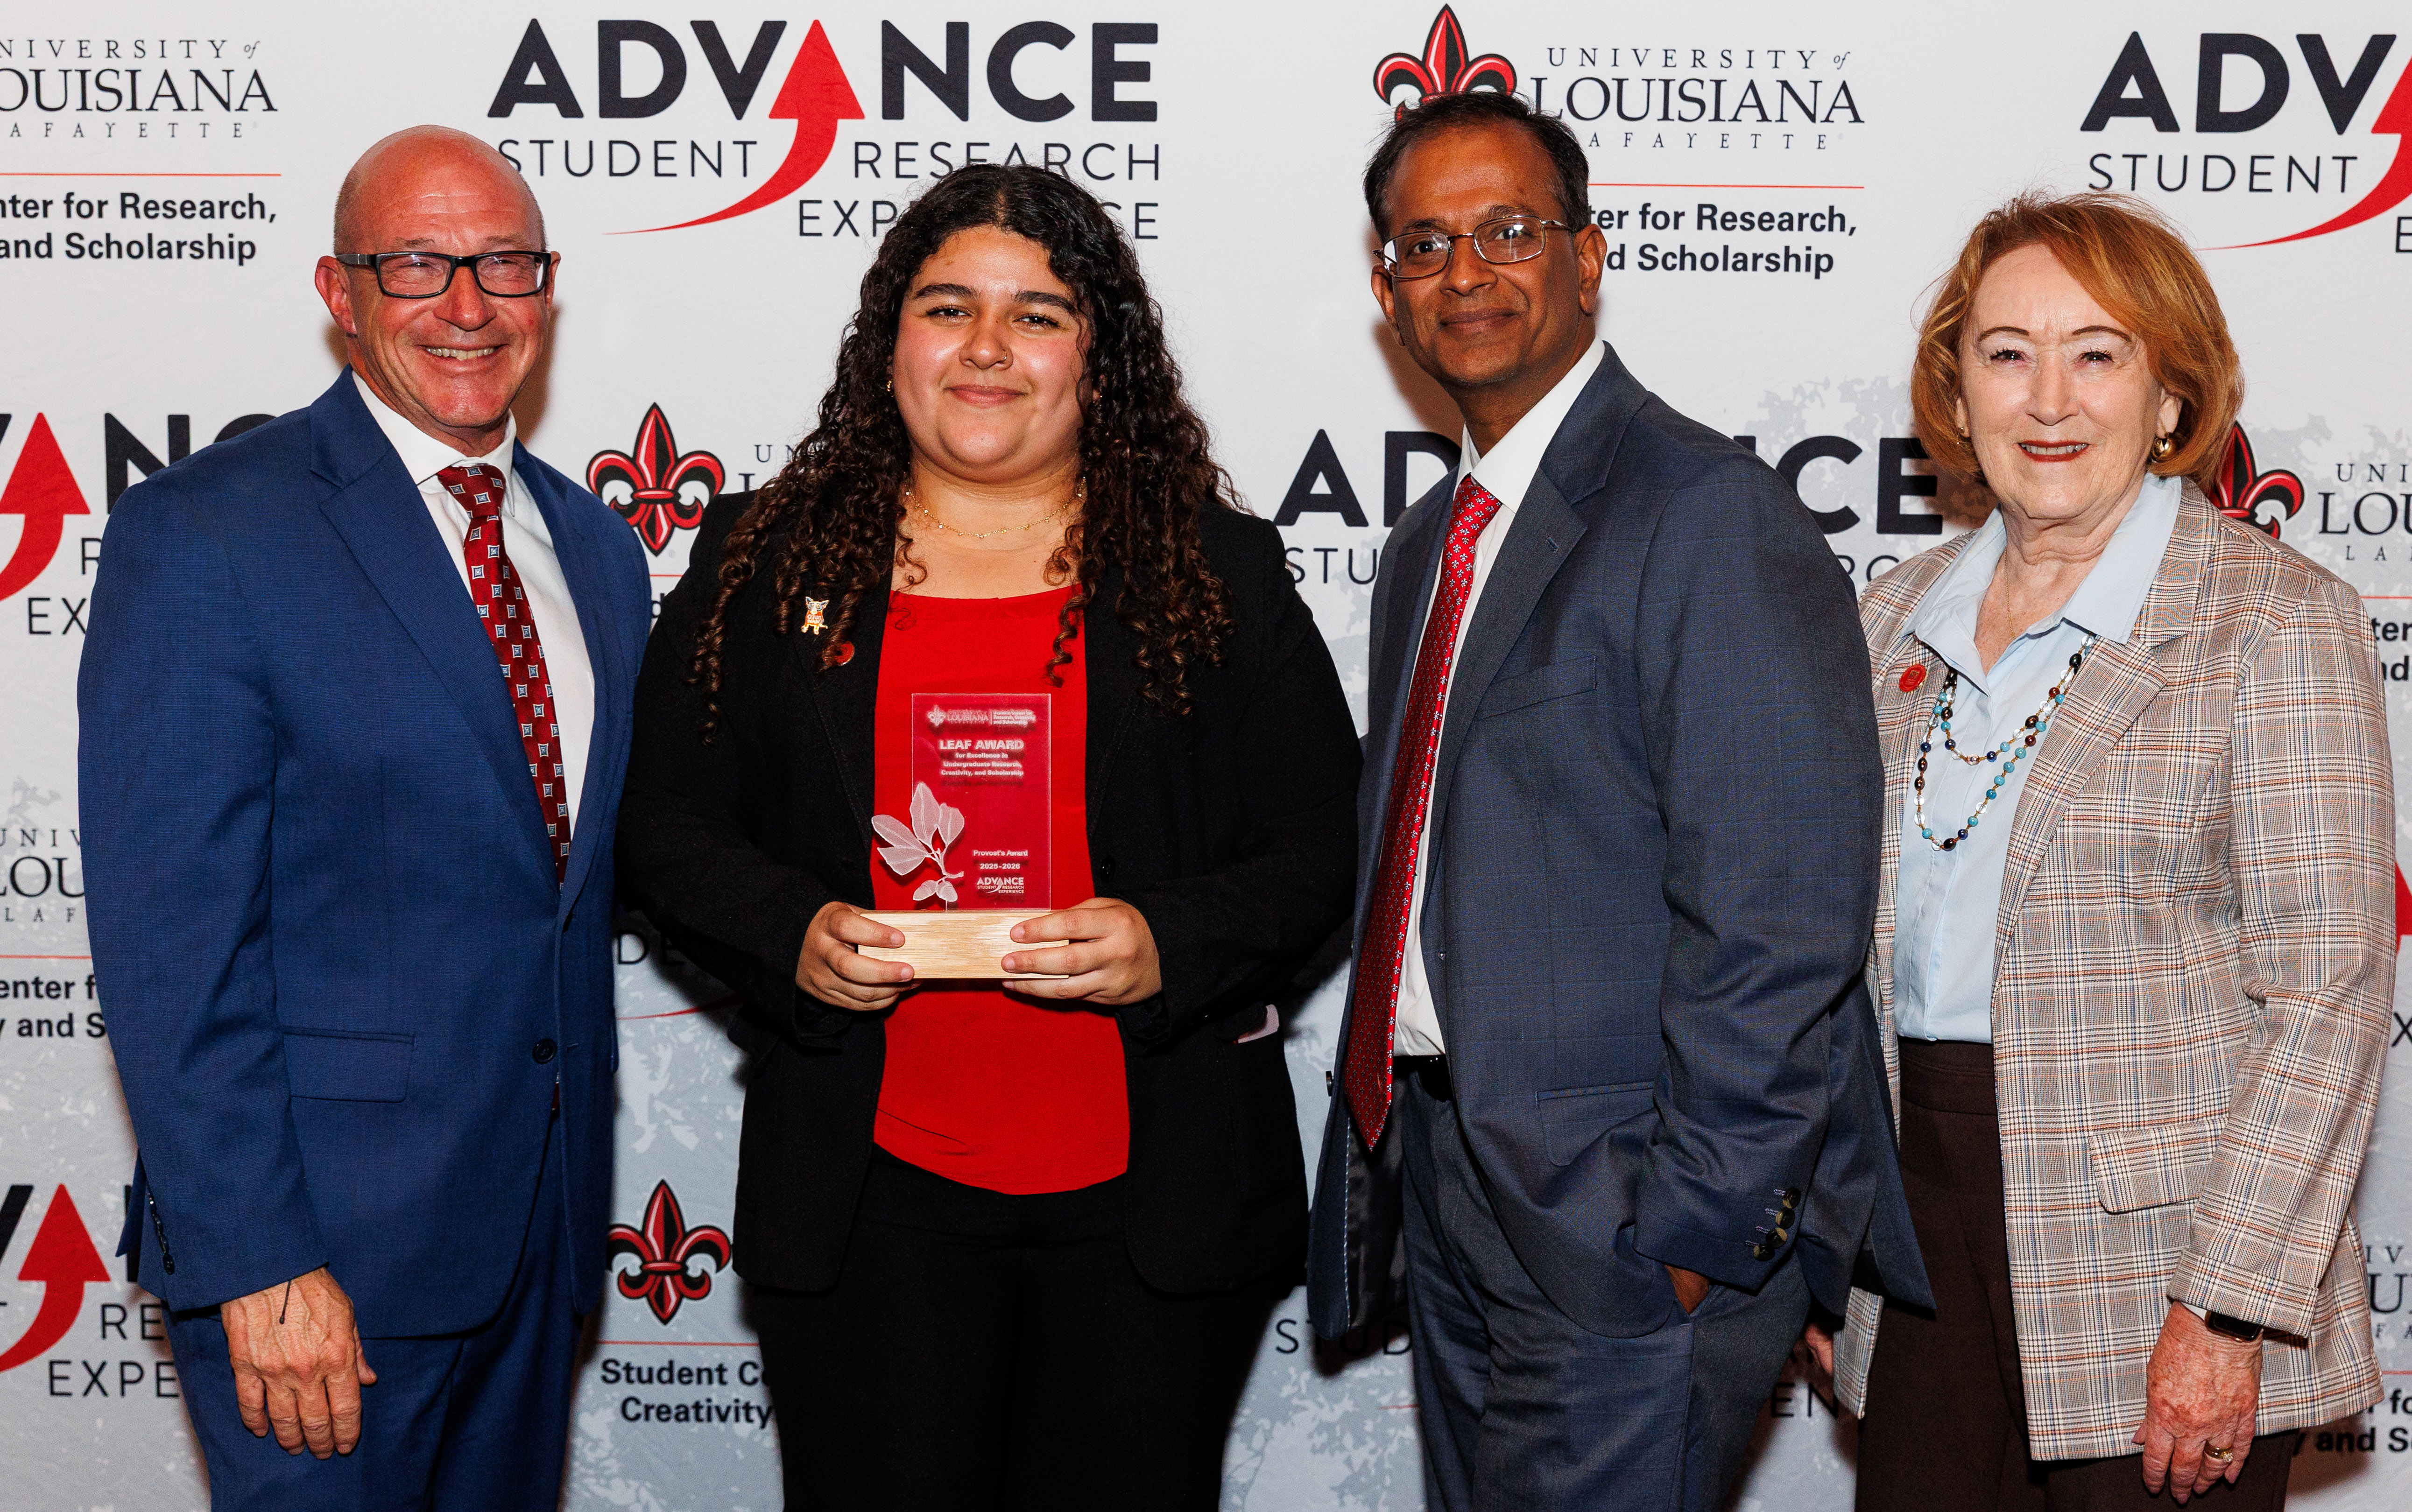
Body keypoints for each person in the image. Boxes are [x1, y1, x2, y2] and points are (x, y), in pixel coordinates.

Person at [615, 163, 1360, 1510]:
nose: (987, 349)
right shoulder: (764, 561)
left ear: (1098, 357)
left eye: (1039, 315)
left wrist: (1167, 940)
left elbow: (1322, 844)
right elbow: (663, 826)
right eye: (948, 307)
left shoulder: (1215, 571)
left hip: (1153, 1207)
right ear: (890, 339)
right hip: (867, 1196)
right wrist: (793, 933)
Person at [1304, 90, 1929, 1512]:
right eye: (1424, 244)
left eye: (1509, 231)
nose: (1466, 272)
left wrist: (1696, 1229)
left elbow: (1781, 914)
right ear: (1387, 290)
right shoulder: (1431, 542)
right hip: (1456, 1180)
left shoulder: (1706, 511)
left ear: (1588, 258)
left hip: (1622, 1223)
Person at [79, 127, 647, 1506]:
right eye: (416, 265)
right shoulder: (208, 533)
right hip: (319, 1268)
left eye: (504, 263)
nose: (468, 303)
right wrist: (261, 1260)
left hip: (537, 1246)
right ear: (340, 292)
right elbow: (173, 951)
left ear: (547, 287)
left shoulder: (596, 548)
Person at [1818, 191, 2392, 1511]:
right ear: (1958, 391)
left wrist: (2227, 1308)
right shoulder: (1889, 619)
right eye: (2006, 353)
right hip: (1914, 1226)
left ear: (2171, 393)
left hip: (2159, 1262)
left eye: (2097, 353)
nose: (2048, 400)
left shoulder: (2273, 623)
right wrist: (1829, 1240)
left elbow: (2327, 995)